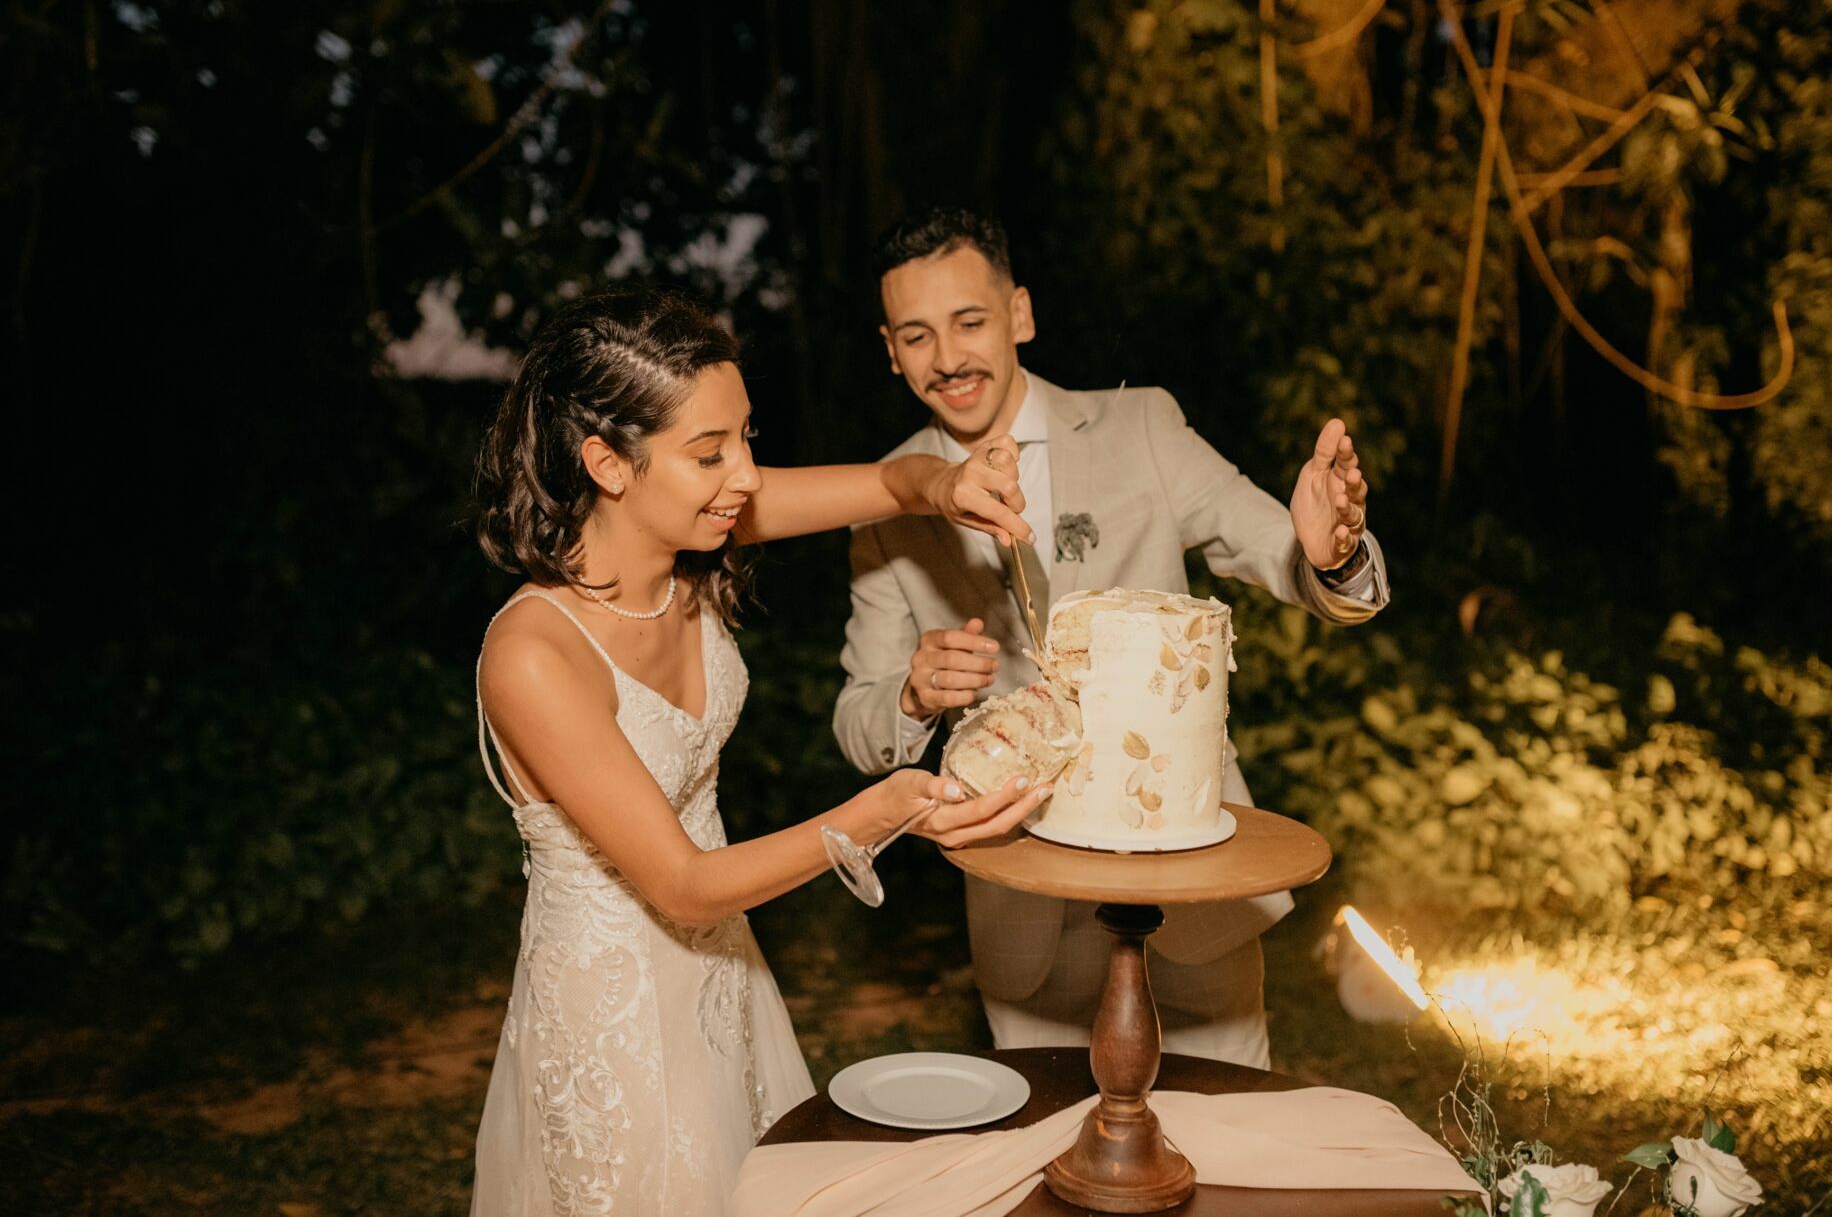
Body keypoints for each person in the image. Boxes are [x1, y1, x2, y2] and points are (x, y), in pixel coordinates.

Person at [466, 288, 1050, 1216]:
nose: (746, 475)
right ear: (607, 464)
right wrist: (877, 813)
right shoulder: (534, 655)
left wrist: (951, 485)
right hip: (614, 1009)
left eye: (746, 438)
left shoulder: (693, 540)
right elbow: (682, 884)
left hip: (726, 969)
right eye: (710, 453)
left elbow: (895, 484)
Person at [832, 207, 1388, 1069]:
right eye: (917, 335)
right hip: (1021, 893)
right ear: (890, 350)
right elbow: (858, 721)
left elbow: (1279, 548)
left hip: (1188, 880)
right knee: (1048, 1133)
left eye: (969, 322)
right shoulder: (885, 503)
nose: (947, 358)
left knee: (1231, 1118)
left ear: (1019, 314)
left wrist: (1334, 553)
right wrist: (911, 697)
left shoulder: (1142, 429)